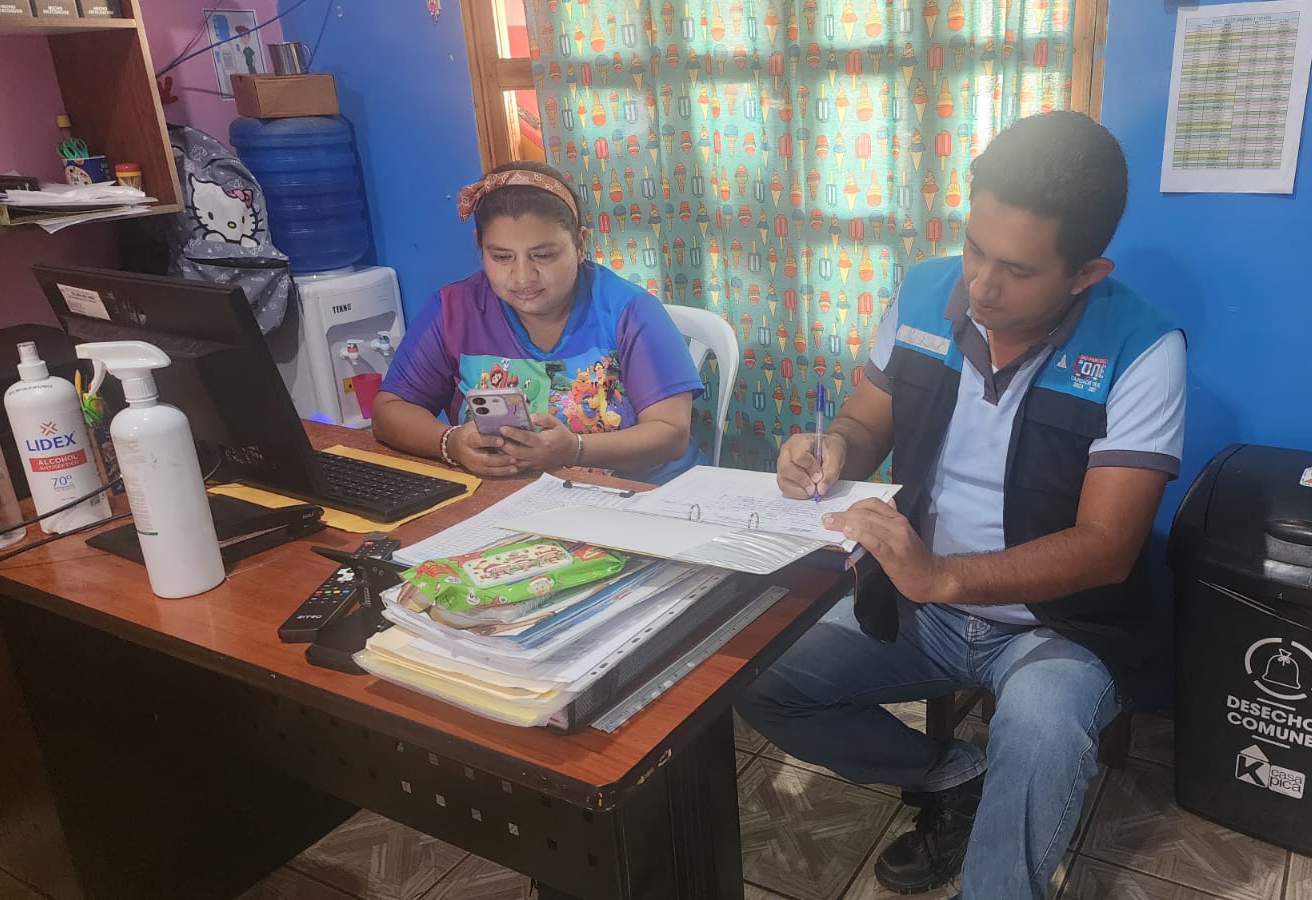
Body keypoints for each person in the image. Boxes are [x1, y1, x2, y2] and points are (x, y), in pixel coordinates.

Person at [738, 112, 1186, 899]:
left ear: (1085, 273)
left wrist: (940, 575)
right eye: (975, 247)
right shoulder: (923, 292)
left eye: (1015, 269)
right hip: (921, 607)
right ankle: (951, 776)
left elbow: (1107, 545)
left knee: (1041, 729)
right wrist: (831, 448)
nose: (979, 285)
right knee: (754, 675)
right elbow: (864, 424)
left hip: (1060, 626)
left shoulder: (1142, 349)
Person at [374, 162, 706, 484]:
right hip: (513, 498)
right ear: (481, 247)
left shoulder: (630, 312)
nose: (522, 277)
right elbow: (390, 410)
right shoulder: (454, 311)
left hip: (641, 497)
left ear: (579, 244)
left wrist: (576, 449)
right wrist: (451, 443)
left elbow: (671, 433)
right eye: (502, 257)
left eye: (543, 255)